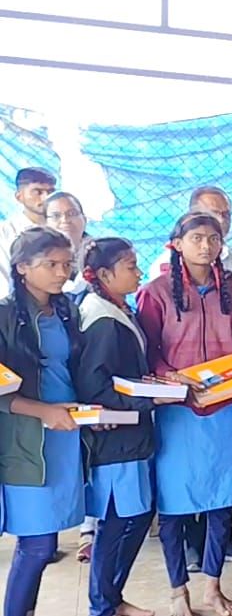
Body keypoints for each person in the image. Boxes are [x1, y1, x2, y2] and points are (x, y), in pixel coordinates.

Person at [136, 211, 232, 616]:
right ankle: (178, 594)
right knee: (175, 504)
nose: (206, 246)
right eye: (197, 238)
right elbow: (149, 350)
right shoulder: (155, 292)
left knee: (223, 500)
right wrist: (170, 377)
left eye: (214, 238)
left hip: (225, 407)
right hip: (178, 411)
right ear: (177, 244)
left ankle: (213, 588)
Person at [0, 227, 85, 616]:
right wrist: (43, 411)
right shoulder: (5, 316)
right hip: (26, 438)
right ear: (22, 267)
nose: (61, 273)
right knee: (37, 544)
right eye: (51, 264)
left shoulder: (65, 310)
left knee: (44, 540)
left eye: (67, 264)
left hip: (65, 432)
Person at [77, 237, 157, 616]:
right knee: (116, 522)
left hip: (130, 435)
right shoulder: (103, 321)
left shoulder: (118, 309)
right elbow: (96, 386)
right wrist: (150, 400)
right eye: (130, 266)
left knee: (135, 515)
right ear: (105, 274)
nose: (138, 273)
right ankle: (102, 605)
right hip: (116, 438)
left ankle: (111, 599)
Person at [151, 186, 232, 284]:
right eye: (214, 213)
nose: (221, 220)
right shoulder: (165, 263)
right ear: (193, 215)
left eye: (226, 214)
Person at [0, 167, 57, 297]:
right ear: (19, 196)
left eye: (51, 192)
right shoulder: (5, 232)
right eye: (38, 192)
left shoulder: (63, 227)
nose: (46, 198)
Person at [44, 191, 93, 302]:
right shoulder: (35, 258)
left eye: (72, 213)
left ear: (84, 219)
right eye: (56, 216)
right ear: (45, 223)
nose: (65, 220)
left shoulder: (101, 253)